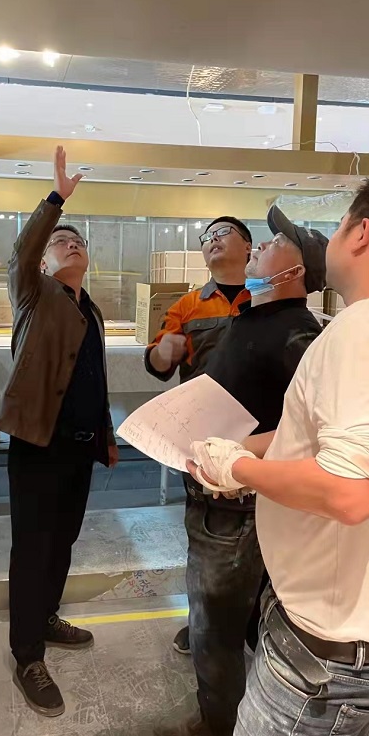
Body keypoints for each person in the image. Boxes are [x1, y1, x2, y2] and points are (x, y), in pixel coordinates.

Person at [189, 168, 369, 736]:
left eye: (337, 224)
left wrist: (238, 468)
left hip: (326, 650)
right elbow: (321, 439)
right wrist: (241, 448)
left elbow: (351, 492)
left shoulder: (366, 331)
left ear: (362, 233)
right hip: (357, 634)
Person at [156, 207, 327, 736]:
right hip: (217, 495)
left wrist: (240, 459)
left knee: (213, 628)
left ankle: (216, 728)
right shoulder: (254, 318)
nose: (262, 245)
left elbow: (314, 428)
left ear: (293, 272)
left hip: (235, 508)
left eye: (277, 242)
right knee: (226, 620)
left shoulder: (297, 333)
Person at [0, 145, 118, 718]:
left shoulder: (90, 308)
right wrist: (56, 201)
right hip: (37, 443)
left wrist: (106, 435)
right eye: (60, 242)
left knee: (63, 540)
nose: (72, 244)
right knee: (33, 545)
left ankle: (45, 616)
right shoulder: (33, 293)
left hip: (78, 447)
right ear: (43, 262)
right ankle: (27, 655)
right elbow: (22, 250)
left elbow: (95, 377)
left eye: (78, 241)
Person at [146, 216, 252, 656]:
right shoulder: (188, 306)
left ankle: (250, 625)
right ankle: (203, 626)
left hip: (262, 440)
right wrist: (162, 352)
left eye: (222, 233)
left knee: (263, 541)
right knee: (207, 541)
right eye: (206, 237)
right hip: (205, 446)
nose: (212, 241)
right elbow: (158, 364)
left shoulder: (268, 298)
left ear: (249, 247)